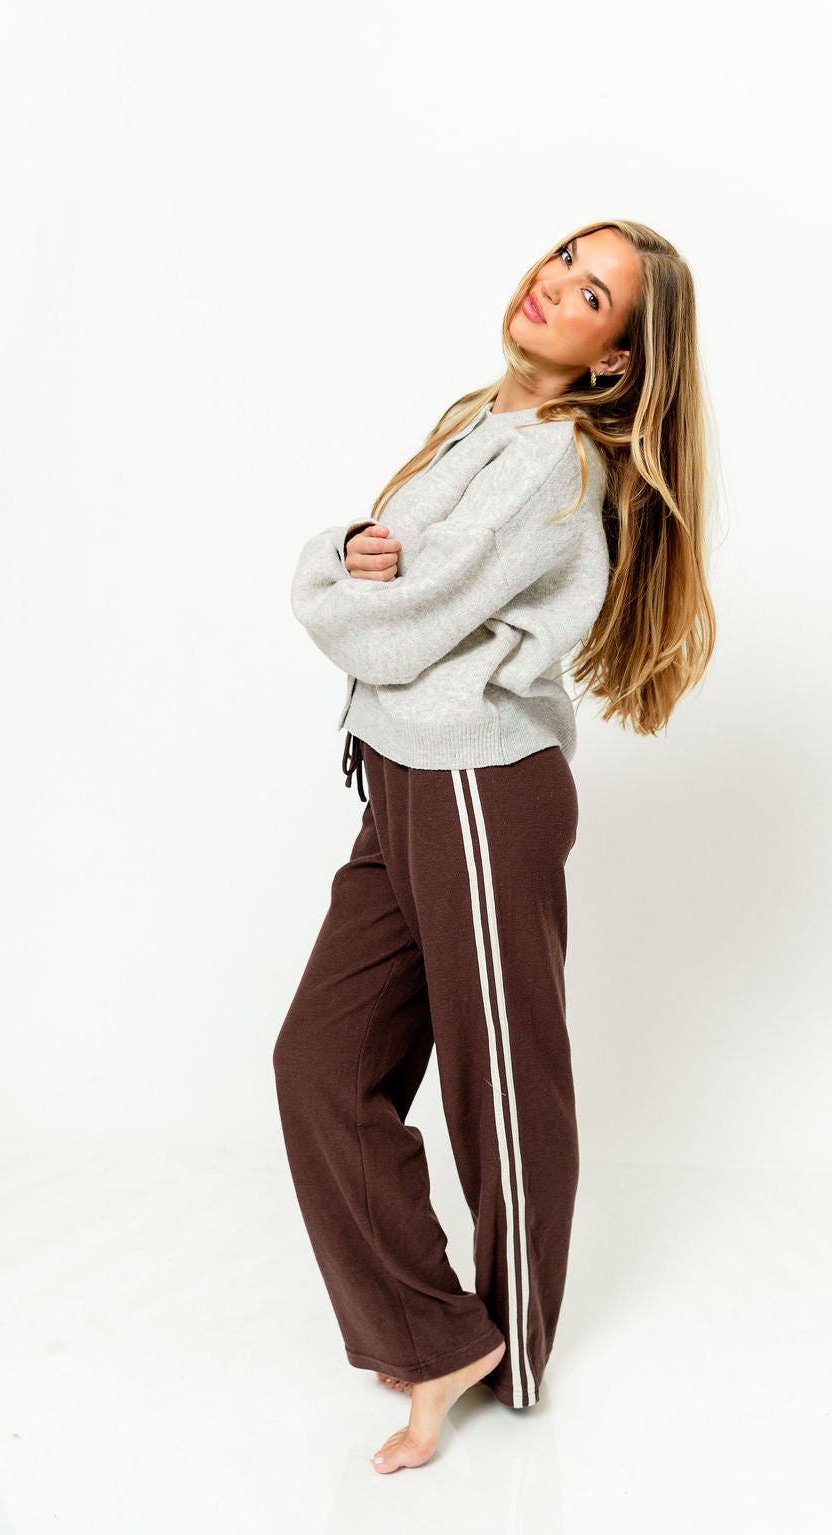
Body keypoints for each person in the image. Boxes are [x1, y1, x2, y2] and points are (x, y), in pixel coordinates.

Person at [272, 219, 717, 1474]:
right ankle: (436, 1330)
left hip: (477, 782)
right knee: (320, 1063)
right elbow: (385, 568)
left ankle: (505, 1348)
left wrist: (325, 580)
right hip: (402, 772)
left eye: (593, 293)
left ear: (614, 360)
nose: (552, 284)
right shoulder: (481, 420)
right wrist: (344, 552)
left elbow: (394, 624)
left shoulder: (551, 463)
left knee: (502, 1086)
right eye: (564, 258)